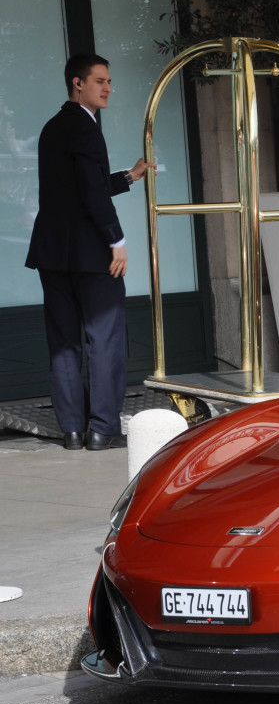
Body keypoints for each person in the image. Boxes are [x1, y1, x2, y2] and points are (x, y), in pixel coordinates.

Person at [24, 53, 155, 451]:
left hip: (53, 253)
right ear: (77, 83)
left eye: (109, 81)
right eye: (100, 80)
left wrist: (127, 177)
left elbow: (77, 189)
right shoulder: (85, 127)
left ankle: (73, 431)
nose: (108, 87)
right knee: (105, 340)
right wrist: (116, 240)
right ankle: (103, 430)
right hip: (90, 253)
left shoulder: (52, 128)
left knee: (64, 342)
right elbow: (91, 194)